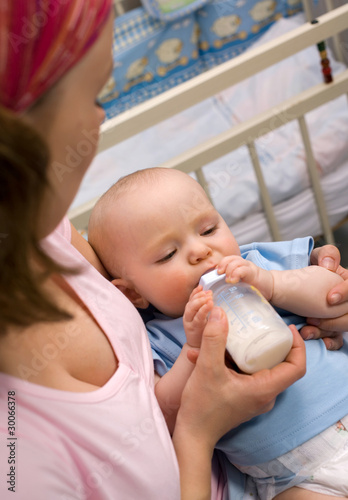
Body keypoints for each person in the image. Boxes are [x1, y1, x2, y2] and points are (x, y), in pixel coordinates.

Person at [0, 2, 325, 499]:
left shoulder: (46, 232)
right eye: (93, 94)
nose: (101, 116)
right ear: (21, 137)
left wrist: (303, 290)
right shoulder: (23, 458)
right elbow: (166, 399)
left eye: (209, 228)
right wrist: (198, 430)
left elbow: (327, 295)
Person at [88, 167, 348, 499]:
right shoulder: (159, 338)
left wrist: (272, 283)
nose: (201, 251)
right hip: (293, 476)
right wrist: (193, 351)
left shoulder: (256, 264)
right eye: (168, 254)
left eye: (209, 229)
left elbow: (333, 293)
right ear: (133, 295)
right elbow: (165, 410)